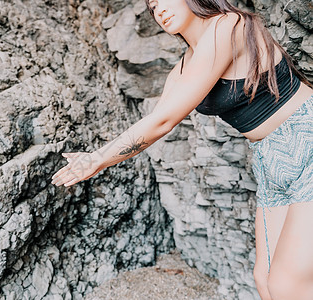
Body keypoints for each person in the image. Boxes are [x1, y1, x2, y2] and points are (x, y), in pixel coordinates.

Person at [51, 0, 313, 298]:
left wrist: (98, 159)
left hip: (307, 139)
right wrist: (98, 158)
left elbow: (164, 121)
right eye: (151, 5)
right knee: (264, 280)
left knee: (286, 283)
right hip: (270, 162)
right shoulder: (183, 67)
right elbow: (154, 122)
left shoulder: (228, 26)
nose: (158, 8)